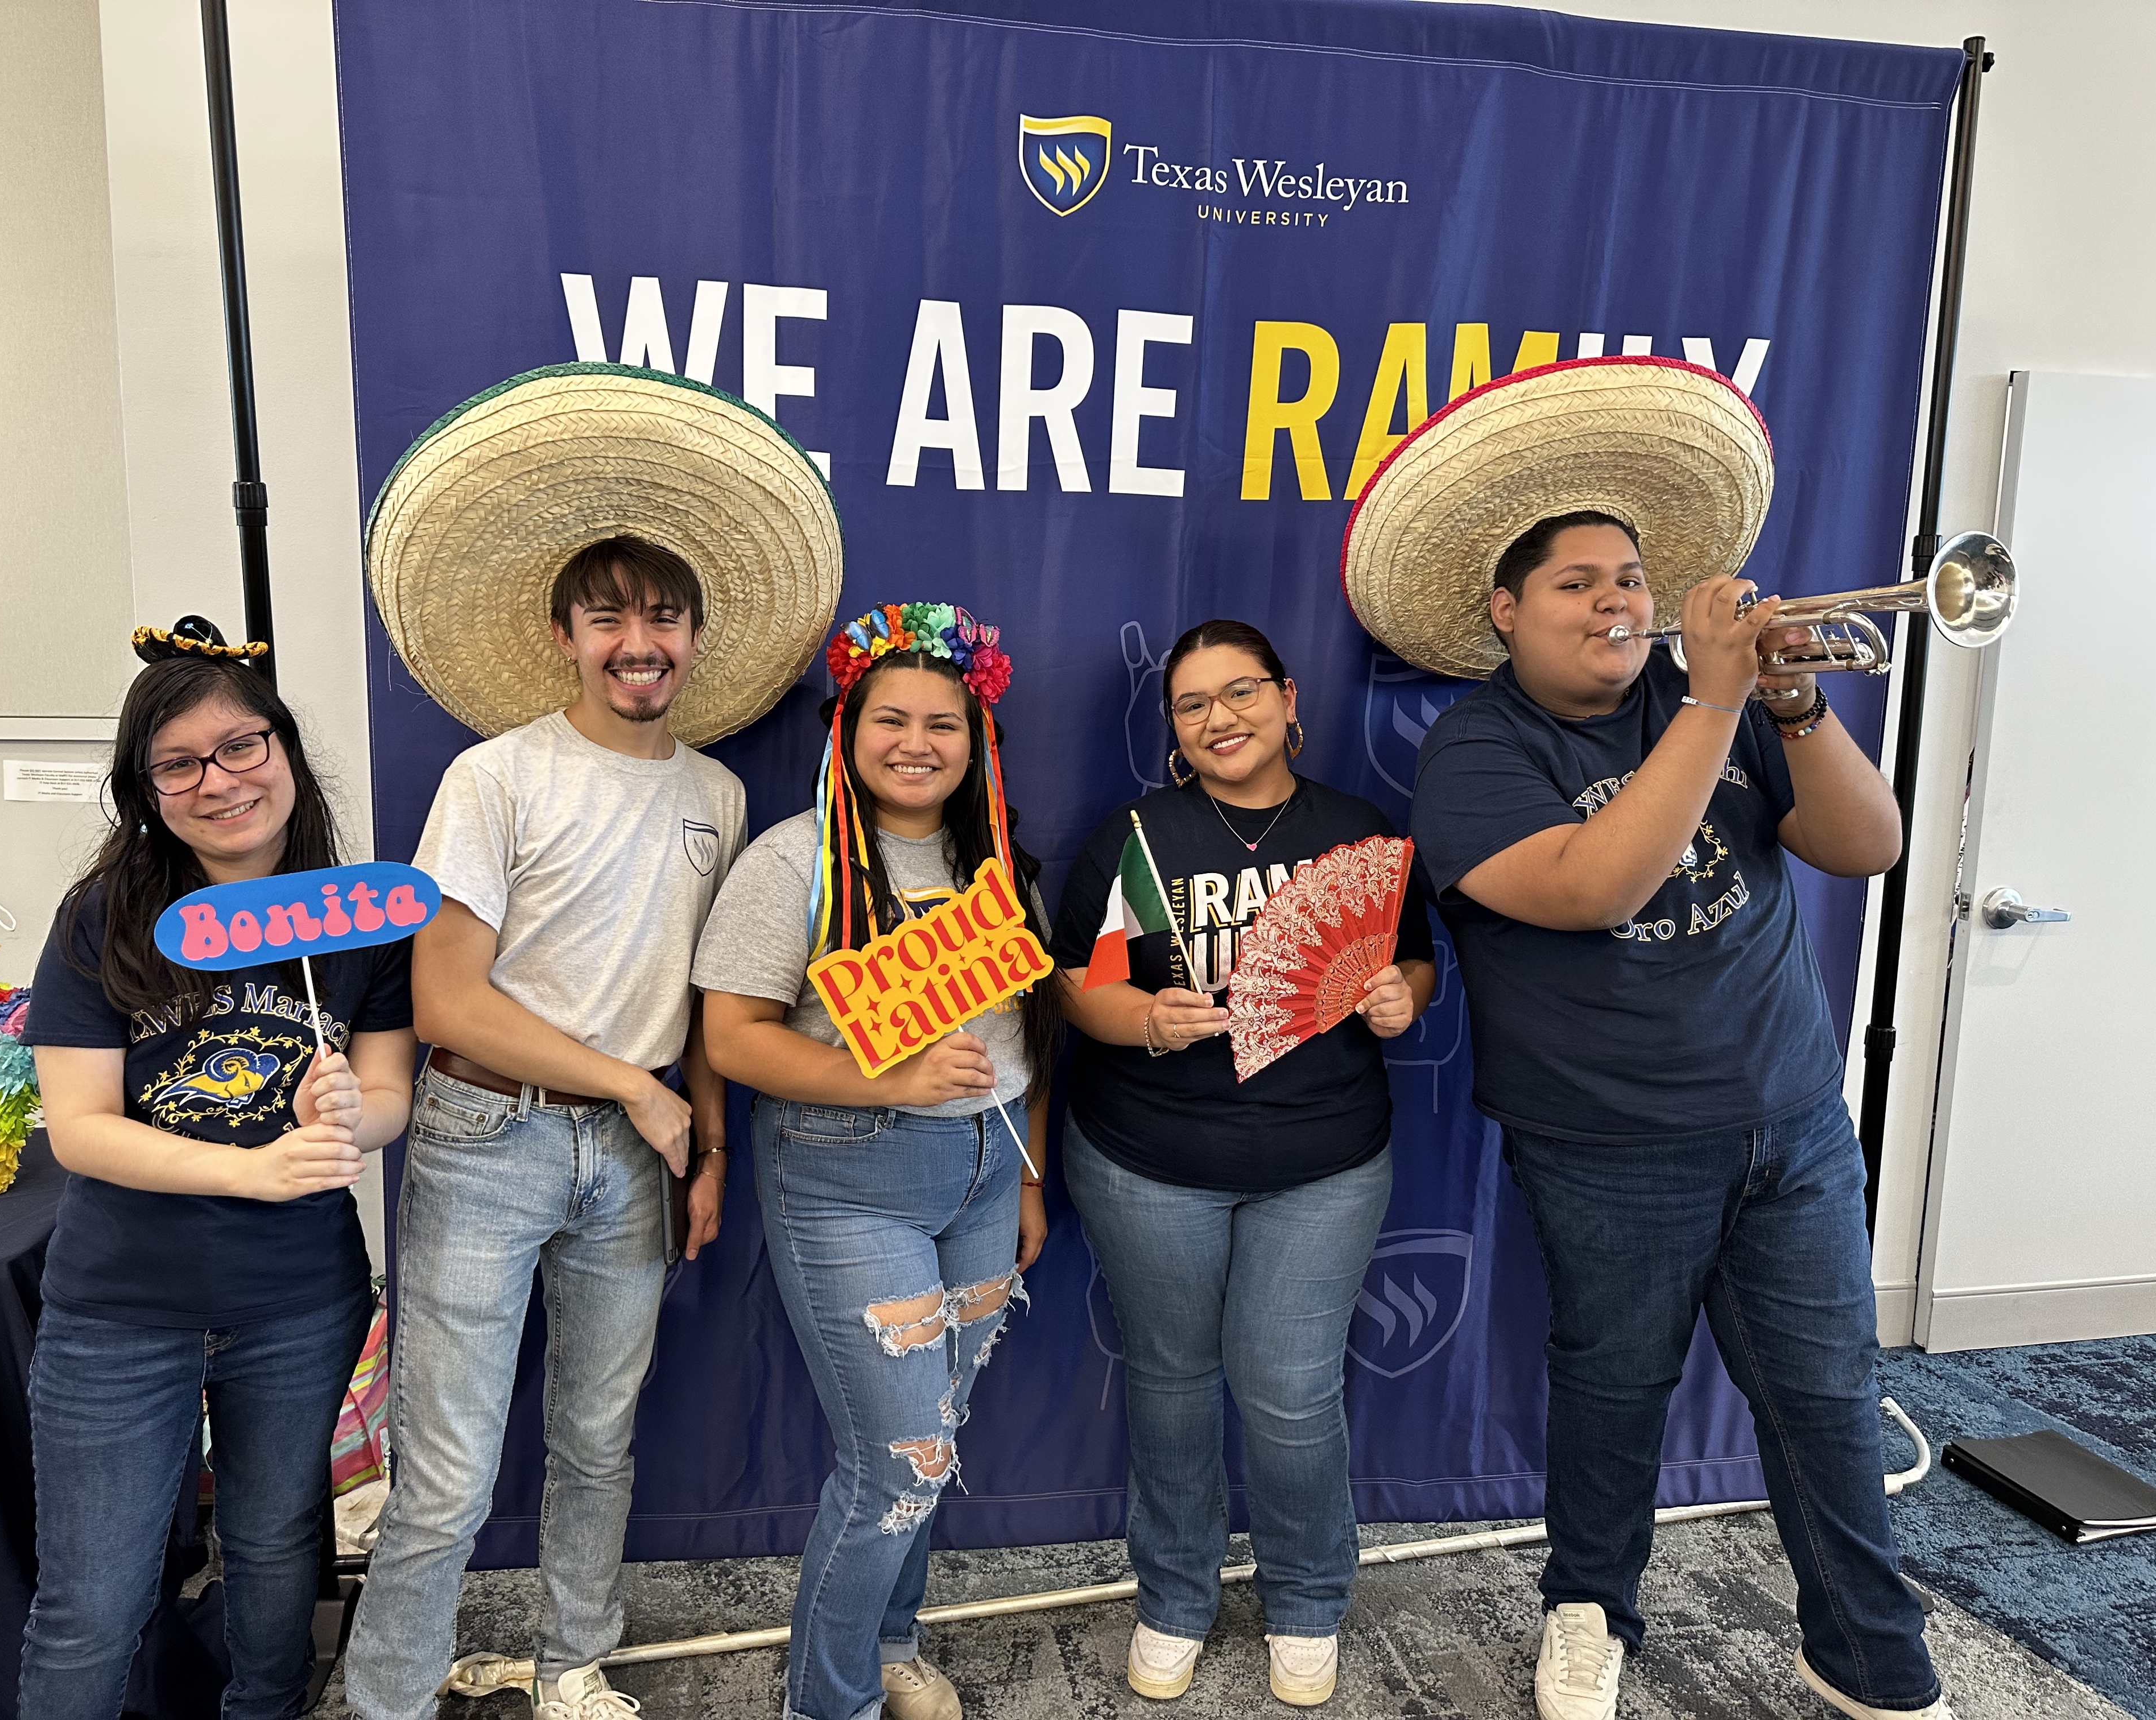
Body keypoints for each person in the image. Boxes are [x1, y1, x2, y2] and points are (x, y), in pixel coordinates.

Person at [1347, 355, 1948, 1720]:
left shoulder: (1727, 709)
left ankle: (1868, 1648)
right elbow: (1592, 886)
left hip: (1792, 1120)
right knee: (1614, 1399)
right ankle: (1586, 1608)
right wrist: (1720, 700)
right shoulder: (1474, 750)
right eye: (1578, 582)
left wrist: (1790, 700)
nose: (1618, 598)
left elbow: (1872, 845)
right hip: (1610, 1147)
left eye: (1631, 579)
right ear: (1507, 612)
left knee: (1828, 1397)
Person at [341, 536, 745, 1720]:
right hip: (485, 1138)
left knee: (598, 1437)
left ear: (695, 639)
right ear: (565, 637)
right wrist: (632, 1085)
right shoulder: (496, 778)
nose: (639, 643)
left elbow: (711, 1006)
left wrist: (706, 1147)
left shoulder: (716, 795)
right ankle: (391, 1699)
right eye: (609, 620)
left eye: (664, 617)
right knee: (449, 1473)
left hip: (643, 1156)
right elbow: (444, 1002)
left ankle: (574, 1661)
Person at [21, 618, 416, 1719]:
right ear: (146, 788)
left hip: (297, 1305)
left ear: (285, 751)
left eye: (243, 746)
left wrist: (349, 1108)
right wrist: (250, 1171)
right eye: (181, 763)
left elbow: (389, 1095)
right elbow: (80, 1128)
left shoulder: (360, 919)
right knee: (90, 1606)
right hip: (118, 1309)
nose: (220, 780)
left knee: (279, 1555)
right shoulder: (105, 917)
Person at [1049, 618, 1436, 1710]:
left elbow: (1416, 956)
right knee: (1171, 1386)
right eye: (1192, 704)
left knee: (1291, 1392)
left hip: (1325, 1163)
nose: (1220, 718)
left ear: (1286, 697)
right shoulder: (1138, 835)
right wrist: (1147, 1023)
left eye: (1240, 693)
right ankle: (1173, 1594)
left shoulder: (1355, 829)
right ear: (1171, 729)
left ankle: (1308, 1598)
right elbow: (1077, 986)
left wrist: (1407, 992)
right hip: (1145, 1162)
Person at [695, 602, 1057, 1720]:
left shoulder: (994, 858)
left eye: (942, 723)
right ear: (845, 732)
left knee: (934, 1445)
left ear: (975, 738)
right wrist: (888, 1083)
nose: (917, 742)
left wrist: (1030, 1166)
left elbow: (1023, 1038)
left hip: (987, 1175)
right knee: (897, 1459)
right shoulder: (792, 861)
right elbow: (732, 1039)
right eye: (891, 720)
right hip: (850, 1176)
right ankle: (830, 1701)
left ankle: (892, 1645)